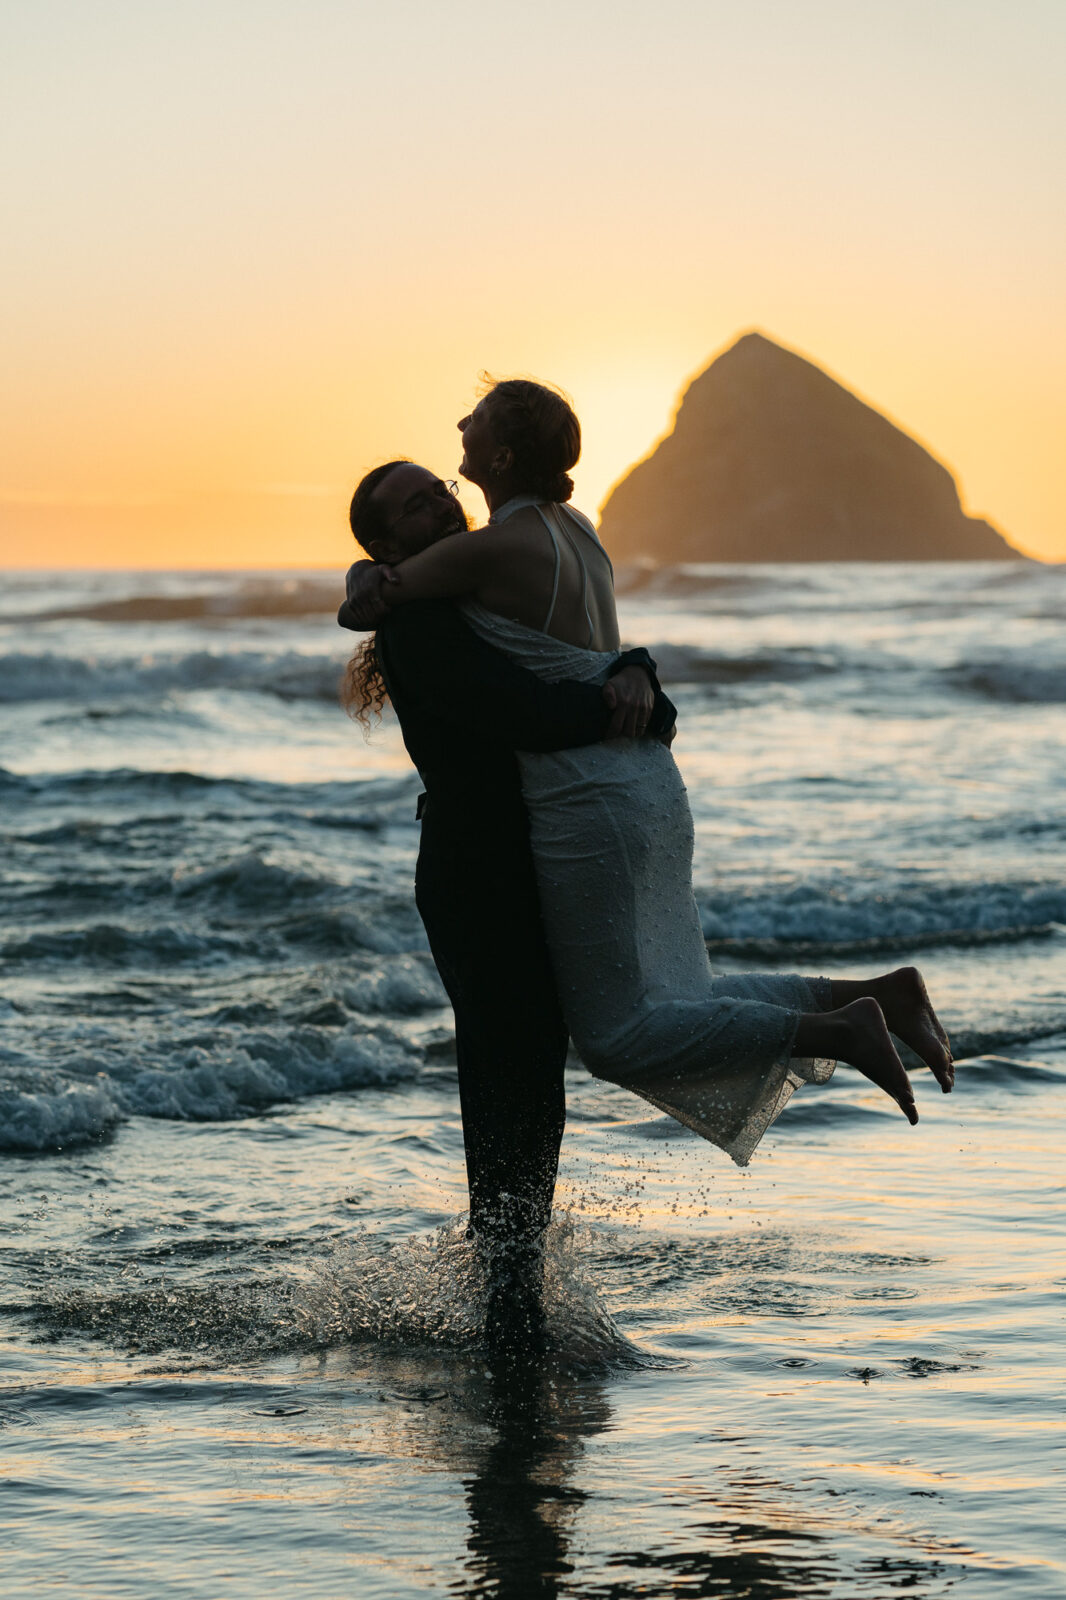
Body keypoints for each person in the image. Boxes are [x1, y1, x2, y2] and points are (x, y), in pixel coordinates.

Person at [343, 379, 954, 1165]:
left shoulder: (479, 559)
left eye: (441, 487)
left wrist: (367, 580)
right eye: (419, 501)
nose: (450, 460)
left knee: (622, 1034)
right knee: (679, 996)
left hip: (588, 802)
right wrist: (637, 673)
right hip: (646, 788)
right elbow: (568, 662)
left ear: (498, 456)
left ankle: (839, 1027)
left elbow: (401, 611)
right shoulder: (578, 533)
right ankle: (862, 999)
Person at [338, 461, 675, 1313]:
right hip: (474, 870)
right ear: (387, 548)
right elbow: (530, 711)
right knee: (505, 1073)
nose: (441, 503)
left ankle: (513, 1272)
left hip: (523, 860)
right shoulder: (420, 627)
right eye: (415, 505)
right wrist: (633, 699)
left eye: (437, 490)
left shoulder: (476, 603)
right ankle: (508, 1281)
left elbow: (558, 664)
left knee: (532, 1072)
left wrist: (632, 664)